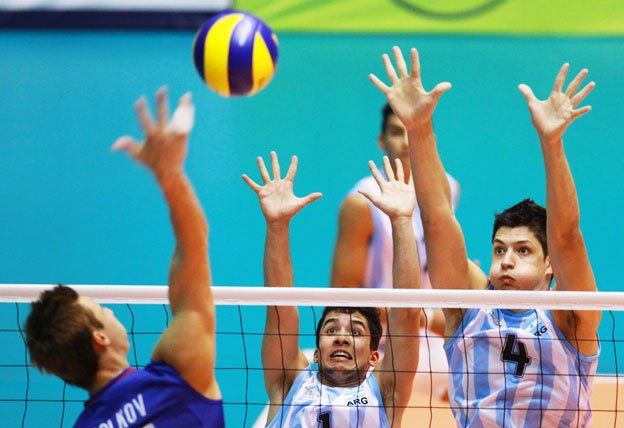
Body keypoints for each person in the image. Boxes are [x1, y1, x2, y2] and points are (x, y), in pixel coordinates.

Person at [371, 46, 600, 426]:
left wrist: (552, 143)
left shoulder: (569, 316)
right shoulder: (468, 307)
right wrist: (419, 129)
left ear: (550, 265)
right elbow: (438, 219)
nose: (506, 260)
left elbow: (566, 236)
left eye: (523, 250)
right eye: (499, 249)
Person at [25, 88, 224, 427]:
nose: (111, 311)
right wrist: (170, 176)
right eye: (101, 311)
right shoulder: (176, 376)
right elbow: (193, 247)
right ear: (99, 339)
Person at [243, 152, 422, 427]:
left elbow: (407, 316)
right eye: (330, 330)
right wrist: (277, 226)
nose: (341, 338)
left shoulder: (385, 392)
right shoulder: (289, 383)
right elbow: (280, 308)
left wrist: (401, 221)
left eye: (355, 332)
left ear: (374, 356)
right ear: (316, 353)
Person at [330, 103, 459, 401]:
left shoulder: (447, 189)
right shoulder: (361, 202)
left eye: (412, 132)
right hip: (382, 341)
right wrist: (417, 316)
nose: (405, 141)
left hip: (435, 334)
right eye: (397, 132)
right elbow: (342, 299)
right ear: (382, 141)